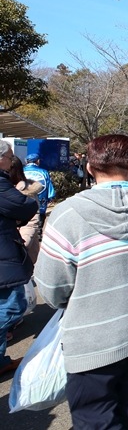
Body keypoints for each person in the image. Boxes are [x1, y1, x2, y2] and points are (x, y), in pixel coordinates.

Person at [35, 134, 128, 428]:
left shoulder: (66, 215)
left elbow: (52, 289)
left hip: (90, 339)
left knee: (94, 418)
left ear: (89, 168)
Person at [0, 140, 38, 375]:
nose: (12, 161)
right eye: (9, 157)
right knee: (12, 307)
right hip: (4, 253)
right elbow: (24, 206)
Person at [8, 155, 43, 265]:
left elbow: (32, 221)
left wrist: (22, 244)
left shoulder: (27, 191)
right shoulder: (5, 188)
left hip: (22, 250)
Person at [23, 152, 56, 234]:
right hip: (41, 197)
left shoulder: (21, 171)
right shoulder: (43, 172)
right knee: (40, 214)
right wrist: (50, 197)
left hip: (24, 197)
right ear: (37, 161)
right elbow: (48, 185)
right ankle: (39, 232)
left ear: (26, 161)